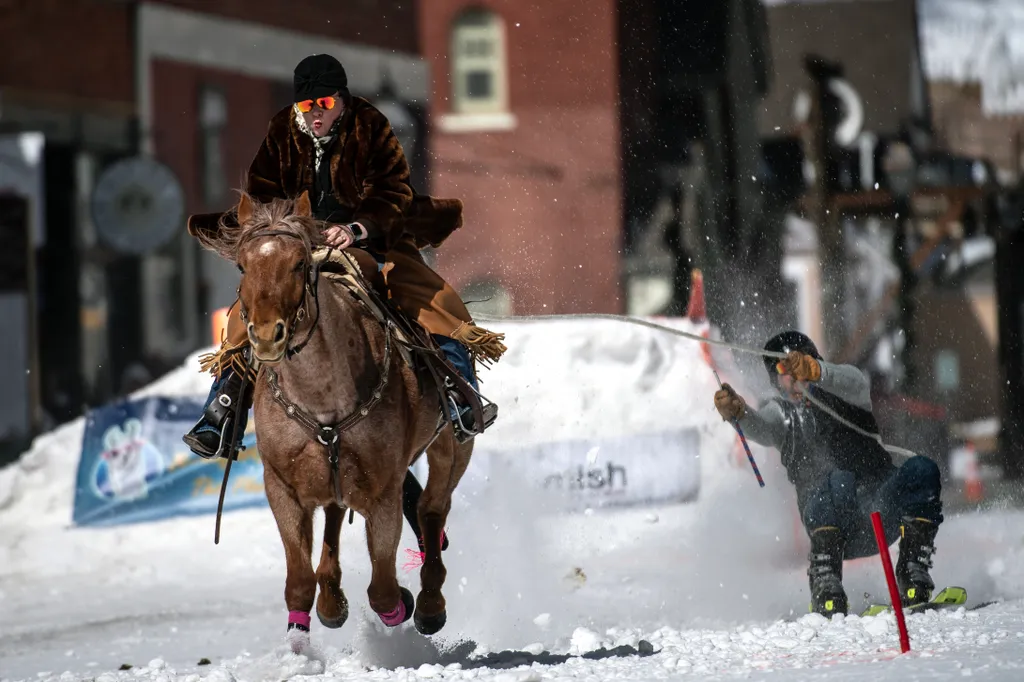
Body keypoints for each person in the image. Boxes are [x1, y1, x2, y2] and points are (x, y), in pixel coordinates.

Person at [182, 53, 505, 461]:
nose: (315, 114)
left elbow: (394, 194)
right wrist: (277, 233)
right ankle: (223, 409)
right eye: (306, 106)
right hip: (297, 242)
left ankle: (460, 393)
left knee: (434, 299)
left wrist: (355, 229)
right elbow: (264, 194)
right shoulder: (282, 130)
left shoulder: (371, 127)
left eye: (325, 105)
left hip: (370, 240)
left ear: (342, 100)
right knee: (249, 310)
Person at [713, 331, 943, 616]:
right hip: (834, 527)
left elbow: (854, 381)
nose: (793, 376)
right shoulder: (784, 415)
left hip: (881, 510)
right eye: (783, 370)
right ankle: (826, 583)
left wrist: (817, 372)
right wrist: (740, 414)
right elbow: (762, 425)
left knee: (922, 469)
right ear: (776, 380)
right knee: (837, 479)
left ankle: (912, 573)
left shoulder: (846, 393)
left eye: (801, 365)